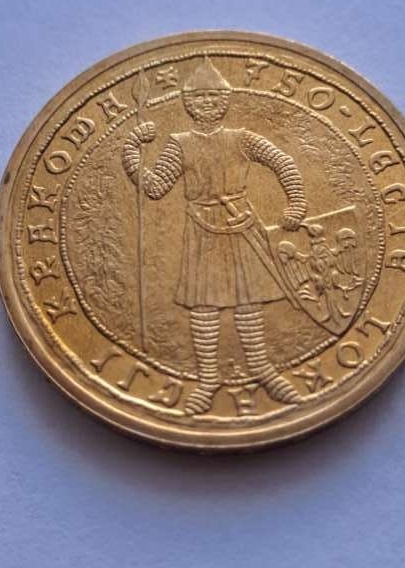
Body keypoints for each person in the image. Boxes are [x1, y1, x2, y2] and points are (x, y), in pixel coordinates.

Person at [123, 57, 307, 415]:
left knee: (248, 302)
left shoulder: (242, 139)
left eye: (214, 96)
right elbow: (156, 187)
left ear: (225, 101)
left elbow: (283, 162)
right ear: (187, 104)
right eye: (199, 97)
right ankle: (207, 381)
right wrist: (131, 152)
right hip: (202, 232)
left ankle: (263, 370)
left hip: (243, 228)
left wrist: (297, 202)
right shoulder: (179, 144)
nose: (207, 102)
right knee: (203, 306)